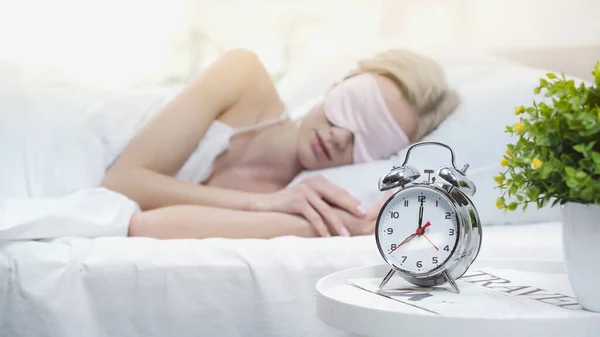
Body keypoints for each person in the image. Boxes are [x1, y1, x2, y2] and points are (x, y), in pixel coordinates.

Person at [100, 48, 460, 240]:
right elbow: (122, 181)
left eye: (369, 140)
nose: (339, 136)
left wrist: (332, 225)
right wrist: (263, 204)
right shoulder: (243, 76)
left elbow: (147, 227)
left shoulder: (296, 200)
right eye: (351, 107)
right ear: (339, 83)